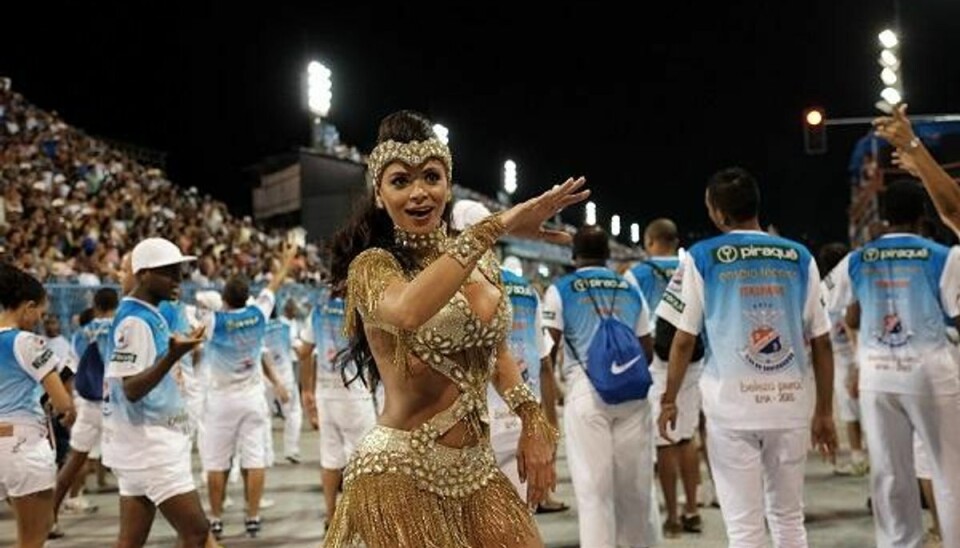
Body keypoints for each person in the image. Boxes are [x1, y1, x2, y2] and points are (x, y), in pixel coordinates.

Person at [323, 110, 586, 547]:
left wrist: (531, 416)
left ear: (448, 185)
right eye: (400, 181)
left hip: (478, 471)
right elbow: (409, 310)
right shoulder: (372, 267)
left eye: (431, 176)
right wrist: (495, 225)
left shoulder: (481, 262)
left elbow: (496, 351)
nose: (419, 192)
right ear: (378, 195)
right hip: (400, 472)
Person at [657, 167, 838, 548]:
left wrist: (670, 397)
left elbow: (683, 341)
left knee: (743, 528)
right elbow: (821, 342)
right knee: (789, 519)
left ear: (718, 213)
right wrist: (824, 410)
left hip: (731, 409)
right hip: (789, 404)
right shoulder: (799, 256)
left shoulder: (700, 257)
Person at [824, 180, 960, 548]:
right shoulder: (943, 256)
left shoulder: (856, 259)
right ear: (921, 217)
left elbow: (835, 308)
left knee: (889, 473)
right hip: (931, 374)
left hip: (877, 375)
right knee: (949, 472)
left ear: (883, 218)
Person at [543, 224, 657, 548]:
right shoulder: (628, 287)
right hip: (633, 394)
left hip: (586, 392)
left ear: (574, 255)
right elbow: (646, 349)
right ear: (608, 255)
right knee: (634, 493)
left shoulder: (561, 288)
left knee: (595, 494)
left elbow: (546, 351)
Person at [450, 199, 566, 513]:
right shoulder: (525, 288)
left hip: (468, 431)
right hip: (518, 424)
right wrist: (546, 427)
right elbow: (543, 364)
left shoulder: (446, 285)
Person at [101, 237, 214, 548]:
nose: (177, 279)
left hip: (142, 442)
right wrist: (172, 356)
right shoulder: (137, 320)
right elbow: (132, 388)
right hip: (150, 445)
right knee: (196, 531)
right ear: (143, 274)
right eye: (168, 272)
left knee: (131, 540)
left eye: (179, 271)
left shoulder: (145, 313)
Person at [196, 243, 297, 539]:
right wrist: (288, 259)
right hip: (252, 399)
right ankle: (252, 517)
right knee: (254, 460)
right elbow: (274, 284)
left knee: (216, 462)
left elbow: (190, 319)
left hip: (221, 401)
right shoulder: (259, 313)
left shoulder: (214, 321)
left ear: (224, 299)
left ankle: (215, 519)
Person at [625, 218, 704, 537]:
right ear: (674, 240)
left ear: (650, 240)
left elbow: (628, 320)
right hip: (693, 359)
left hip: (658, 360)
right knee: (687, 436)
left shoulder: (637, 274)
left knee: (665, 439)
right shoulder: (692, 267)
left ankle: (672, 516)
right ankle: (693, 508)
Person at [0, 264, 76, 548]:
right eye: (40, 314)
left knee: (26, 532)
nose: (40, 321)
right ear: (28, 307)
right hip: (24, 445)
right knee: (34, 538)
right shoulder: (28, 342)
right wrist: (64, 409)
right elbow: (62, 401)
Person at [299, 284, 377, 531]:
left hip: (326, 392)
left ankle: (331, 517)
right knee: (364, 458)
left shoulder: (318, 310)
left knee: (330, 458)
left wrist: (307, 390)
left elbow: (303, 351)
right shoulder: (361, 307)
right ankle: (362, 517)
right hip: (354, 393)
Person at [54, 288, 119, 525]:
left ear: (95, 305)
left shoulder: (80, 334)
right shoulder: (123, 328)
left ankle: (51, 517)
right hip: (118, 407)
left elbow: (68, 372)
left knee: (74, 461)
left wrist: (69, 406)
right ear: (116, 304)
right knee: (129, 466)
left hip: (89, 405)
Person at [817, 242, 869, 477]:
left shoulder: (823, 289)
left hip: (840, 355)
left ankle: (859, 456)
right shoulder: (853, 280)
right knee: (865, 409)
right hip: (858, 351)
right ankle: (862, 456)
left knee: (850, 410)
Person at [874, 103, 960, 237]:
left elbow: (954, 211)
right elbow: (954, 211)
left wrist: (913, 147)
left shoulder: (852, 258)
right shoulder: (947, 255)